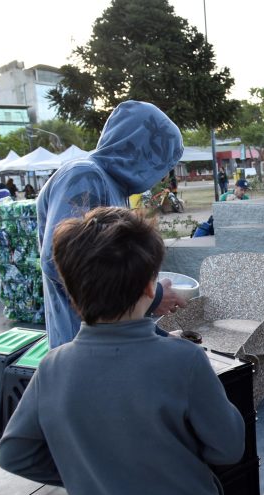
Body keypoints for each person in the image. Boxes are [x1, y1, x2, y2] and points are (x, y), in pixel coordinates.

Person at [0, 206, 245, 495]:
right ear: (149, 287)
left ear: (71, 291)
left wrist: (92, 476)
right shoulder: (183, 360)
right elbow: (228, 447)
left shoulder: (51, 368)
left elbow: (14, 454)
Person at [37, 100, 187, 348]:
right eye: (160, 160)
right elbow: (63, 264)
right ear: (140, 149)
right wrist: (152, 296)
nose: (161, 175)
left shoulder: (114, 184)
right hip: (83, 348)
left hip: (108, 346)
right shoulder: (85, 175)